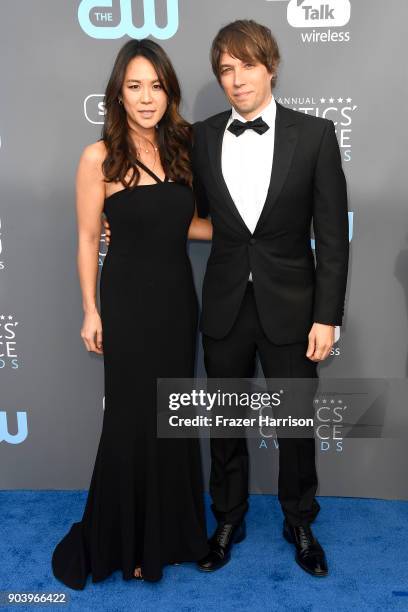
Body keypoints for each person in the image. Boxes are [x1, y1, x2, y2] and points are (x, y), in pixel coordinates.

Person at [104, 19, 349, 578]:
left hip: (293, 305)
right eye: (225, 70)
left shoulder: (314, 135)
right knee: (223, 422)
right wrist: (132, 223)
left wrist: (326, 316)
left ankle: (300, 520)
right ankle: (228, 518)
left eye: (247, 67)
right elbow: (174, 210)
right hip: (222, 304)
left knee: (294, 421)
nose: (236, 80)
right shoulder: (201, 136)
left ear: (271, 67)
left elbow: (333, 237)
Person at [51, 38, 212, 589]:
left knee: (173, 416)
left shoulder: (185, 150)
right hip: (125, 303)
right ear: (118, 93)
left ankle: (170, 536)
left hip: (175, 302)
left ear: (170, 91)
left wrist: (259, 230)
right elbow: (87, 237)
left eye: (157, 86)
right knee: (129, 419)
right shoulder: (98, 158)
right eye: (135, 86)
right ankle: (126, 539)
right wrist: (89, 310)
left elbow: (188, 224)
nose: (147, 98)